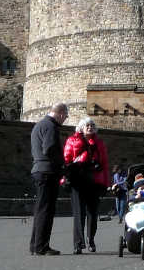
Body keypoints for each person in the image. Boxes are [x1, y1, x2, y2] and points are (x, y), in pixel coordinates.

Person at [63, 116, 110, 253]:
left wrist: (106, 182)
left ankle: (91, 239)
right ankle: (78, 244)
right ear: (81, 127)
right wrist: (64, 178)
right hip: (77, 180)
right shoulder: (72, 140)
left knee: (93, 213)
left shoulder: (99, 143)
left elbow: (105, 163)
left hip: (94, 180)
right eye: (87, 125)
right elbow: (66, 160)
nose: (90, 127)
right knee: (79, 213)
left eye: (92, 125)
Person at [29, 102, 69, 255]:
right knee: (46, 210)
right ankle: (41, 246)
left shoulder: (39, 125)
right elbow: (50, 149)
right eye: (65, 116)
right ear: (60, 113)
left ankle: (35, 245)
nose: (65, 119)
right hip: (48, 171)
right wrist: (62, 165)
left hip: (39, 170)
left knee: (40, 209)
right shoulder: (51, 127)